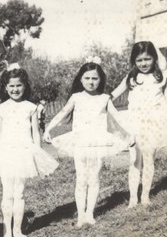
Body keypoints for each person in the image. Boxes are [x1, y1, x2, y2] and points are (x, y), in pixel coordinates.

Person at [44, 58, 132, 227]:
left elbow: (118, 117)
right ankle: (80, 216)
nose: (91, 82)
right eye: (87, 78)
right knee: (81, 178)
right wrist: (48, 128)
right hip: (80, 142)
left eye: (95, 78)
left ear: (100, 80)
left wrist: (131, 134)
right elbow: (62, 113)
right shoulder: (76, 97)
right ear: (81, 79)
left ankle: (90, 213)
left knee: (95, 178)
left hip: (98, 141)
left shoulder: (105, 98)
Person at [0, 63, 58, 237]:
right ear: (5, 87)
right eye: (11, 86)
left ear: (24, 86)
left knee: (19, 193)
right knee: (6, 193)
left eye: (18, 85)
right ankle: (6, 232)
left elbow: (35, 133)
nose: (15, 89)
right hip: (6, 153)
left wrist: (37, 155)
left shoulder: (31, 107)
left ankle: (17, 231)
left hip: (24, 153)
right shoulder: (0, 109)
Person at [110, 41, 167, 207]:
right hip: (134, 123)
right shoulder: (131, 78)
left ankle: (145, 196)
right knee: (135, 160)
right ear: (134, 61)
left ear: (154, 59)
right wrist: (115, 115)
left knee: (149, 160)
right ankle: (133, 198)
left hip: (154, 124)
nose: (143, 63)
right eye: (139, 60)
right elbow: (110, 97)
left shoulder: (160, 78)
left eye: (147, 59)